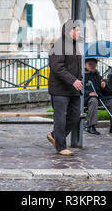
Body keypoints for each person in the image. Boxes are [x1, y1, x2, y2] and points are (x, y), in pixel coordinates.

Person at [47, 19, 84, 156]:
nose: (79, 32)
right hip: (60, 89)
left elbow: (75, 66)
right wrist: (73, 80)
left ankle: (54, 135)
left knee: (74, 116)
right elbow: (57, 67)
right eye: (77, 30)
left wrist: (78, 80)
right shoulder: (59, 45)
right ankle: (61, 147)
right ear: (69, 31)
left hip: (73, 89)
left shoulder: (74, 45)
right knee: (60, 118)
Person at [84, 58, 112, 135]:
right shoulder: (82, 76)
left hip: (100, 98)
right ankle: (91, 126)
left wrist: (104, 87)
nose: (92, 66)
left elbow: (107, 92)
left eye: (94, 64)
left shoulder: (98, 76)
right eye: (90, 64)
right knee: (93, 100)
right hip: (87, 99)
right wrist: (89, 93)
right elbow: (79, 89)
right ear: (85, 65)